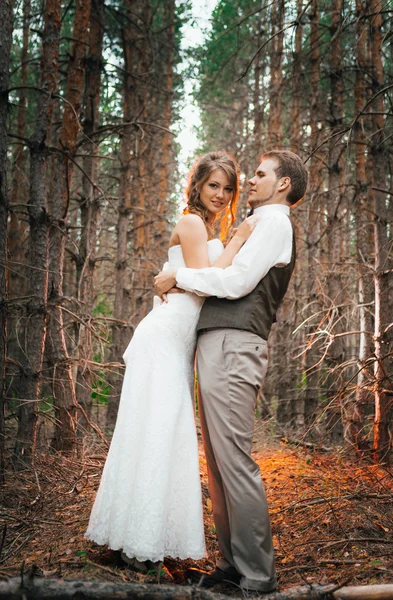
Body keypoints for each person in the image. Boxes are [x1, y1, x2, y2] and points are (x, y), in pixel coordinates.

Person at [85, 151, 259, 571]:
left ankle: (142, 540)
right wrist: (238, 240)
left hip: (178, 342)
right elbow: (209, 280)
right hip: (163, 340)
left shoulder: (205, 225)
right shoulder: (193, 222)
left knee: (161, 430)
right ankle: (134, 544)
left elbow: (194, 278)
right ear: (197, 184)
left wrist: (176, 276)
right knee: (155, 430)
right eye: (213, 185)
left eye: (227, 188)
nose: (220, 194)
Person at [154, 150, 308, 593]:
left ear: (282, 184)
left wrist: (178, 279)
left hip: (235, 343)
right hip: (219, 342)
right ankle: (232, 565)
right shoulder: (260, 223)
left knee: (235, 461)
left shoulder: (275, 222)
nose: (251, 181)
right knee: (220, 464)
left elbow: (238, 282)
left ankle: (257, 576)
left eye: (261, 174)